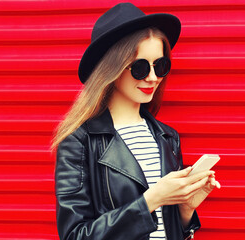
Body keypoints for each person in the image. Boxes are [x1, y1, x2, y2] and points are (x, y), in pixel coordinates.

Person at [52, 3, 220, 240]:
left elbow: (169, 230)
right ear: (111, 69)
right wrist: (152, 199)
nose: (153, 78)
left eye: (160, 66)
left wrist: (185, 209)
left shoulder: (167, 137)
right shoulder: (79, 141)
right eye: (140, 67)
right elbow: (75, 235)